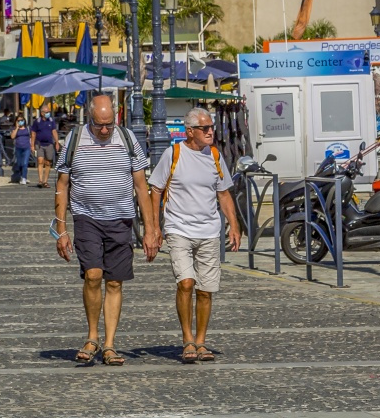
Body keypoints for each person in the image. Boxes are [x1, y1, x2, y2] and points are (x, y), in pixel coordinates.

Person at [53, 93, 157, 367]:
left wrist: (150, 230)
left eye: (108, 124)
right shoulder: (75, 139)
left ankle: (109, 344)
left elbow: (141, 188)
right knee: (93, 275)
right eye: (99, 124)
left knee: (114, 281)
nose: (103, 130)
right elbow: (62, 186)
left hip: (121, 220)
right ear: (90, 118)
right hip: (86, 218)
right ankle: (92, 336)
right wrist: (61, 231)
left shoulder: (126, 138)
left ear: (116, 118)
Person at [146, 109, 242, 363]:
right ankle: (187, 338)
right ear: (190, 132)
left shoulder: (215, 155)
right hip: (179, 229)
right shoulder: (173, 154)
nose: (211, 131)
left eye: (212, 127)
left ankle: (200, 341)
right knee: (186, 282)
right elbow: (155, 190)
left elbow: (223, 193)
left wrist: (234, 225)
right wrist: (155, 228)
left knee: (206, 290)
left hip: (209, 231)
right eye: (205, 128)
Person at [32, 109, 59, 188]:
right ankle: (40, 180)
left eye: (48, 111)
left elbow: (54, 131)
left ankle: (45, 181)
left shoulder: (51, 121)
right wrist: (32, 145)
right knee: (40, 161)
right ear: (42, 113)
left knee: (48, 163)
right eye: (46, 112)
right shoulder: (37, 121)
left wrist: (57, 142)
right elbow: (33, 133)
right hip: (39, 144)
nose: (48, 113)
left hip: (49, 144)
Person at [11, 118, 33, 185]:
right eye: (19, 121)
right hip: (18, 148)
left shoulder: (28, 128)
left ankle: (24, 177)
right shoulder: (14, 128)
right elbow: (12, 137)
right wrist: (17, 128)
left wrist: (32, 145)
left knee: (25, 163)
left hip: (27, 147)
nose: (20, 122)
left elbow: (32, 136)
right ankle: (21, 176)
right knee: (20, 163)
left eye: (22, 120)